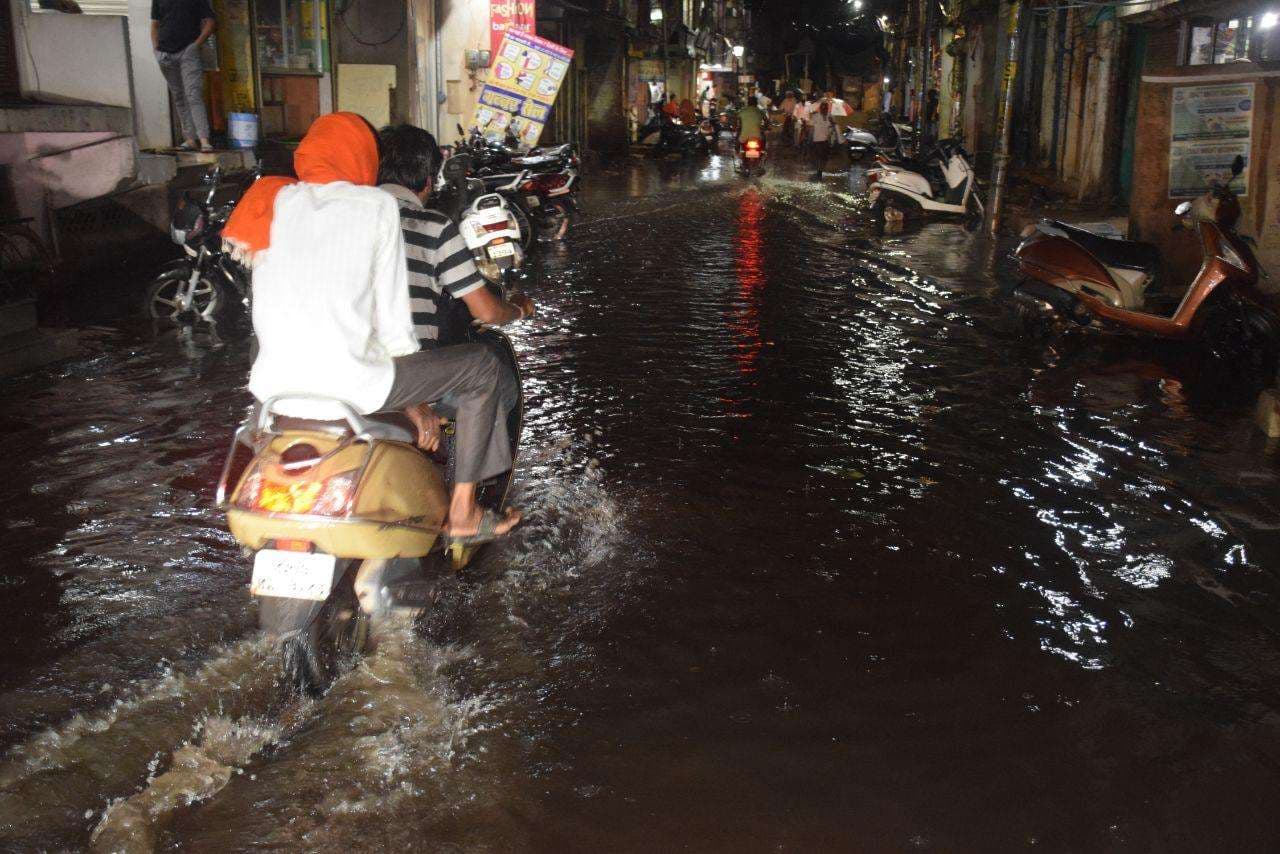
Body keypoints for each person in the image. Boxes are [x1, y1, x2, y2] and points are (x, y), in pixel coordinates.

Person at [223, 112, 523, 545]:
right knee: (481, 367)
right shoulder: (374, 206)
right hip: (355, 386)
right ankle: (463, 512)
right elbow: (393, 323)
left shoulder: (273, 201)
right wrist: (416, 405)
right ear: (363, 159)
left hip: (271, 391)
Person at [151, 0, 216, 152]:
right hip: (165, 53)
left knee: (193, 94)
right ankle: (189, 139)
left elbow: (210, 22)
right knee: (178, 96)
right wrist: (156, 50)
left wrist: (196, 45)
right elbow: (155, 24)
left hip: (188, 51)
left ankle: (204, 139)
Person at [809, 99, 835, 180]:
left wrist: (832, 125)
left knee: (824, 157)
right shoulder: (815, 116)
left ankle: (820, 170)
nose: (824, 109)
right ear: (820, 108)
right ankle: (818, 171)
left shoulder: (830, 116)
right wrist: (810, 138)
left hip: (826, 141)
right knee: (818, 156)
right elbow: (811, 128)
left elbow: (833, 128)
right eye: (822, 108)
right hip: (817, 140)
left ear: (827, 109)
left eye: (825, 108)